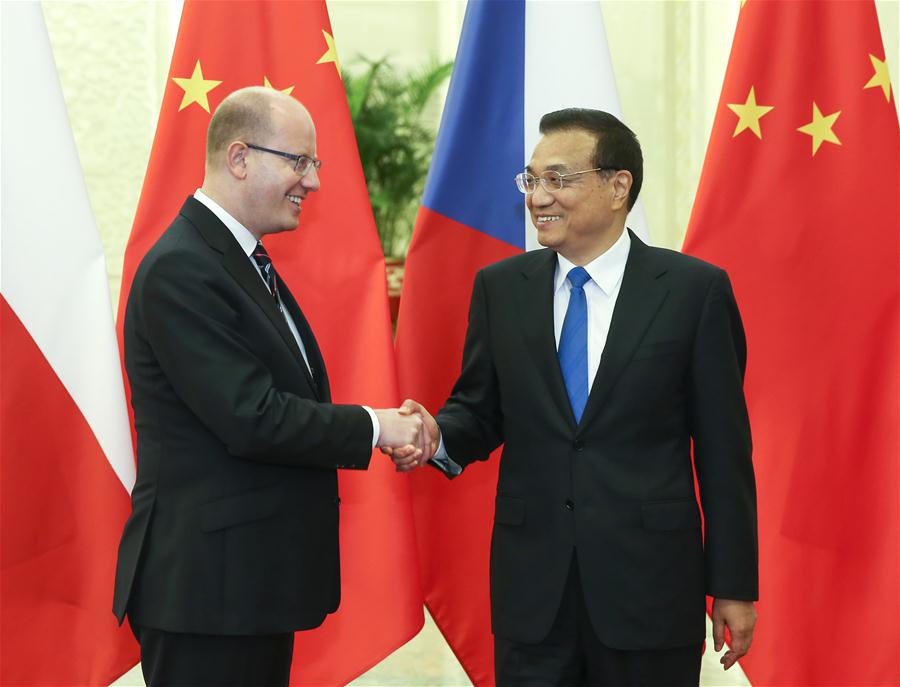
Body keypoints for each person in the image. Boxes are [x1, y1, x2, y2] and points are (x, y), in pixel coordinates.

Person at [394, 108, 758, 686]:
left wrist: (733, 586)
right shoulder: (502, 289)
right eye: (531, 179)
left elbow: (724, 453)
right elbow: (479, 410)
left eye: (558, 179)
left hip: (649, 592)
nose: (538, 196)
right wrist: (438, 435)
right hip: (533, 595)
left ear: (618, 186)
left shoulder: (693, 292)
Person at [112, 87, 429, 687]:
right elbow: (251, 416)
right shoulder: (183, 267)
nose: (313, 181)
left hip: (246, 585)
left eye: (315, 163)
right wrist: (377, 426)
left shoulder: (236, 260)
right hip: (207, 594)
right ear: (239, 158)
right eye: (299, 161)